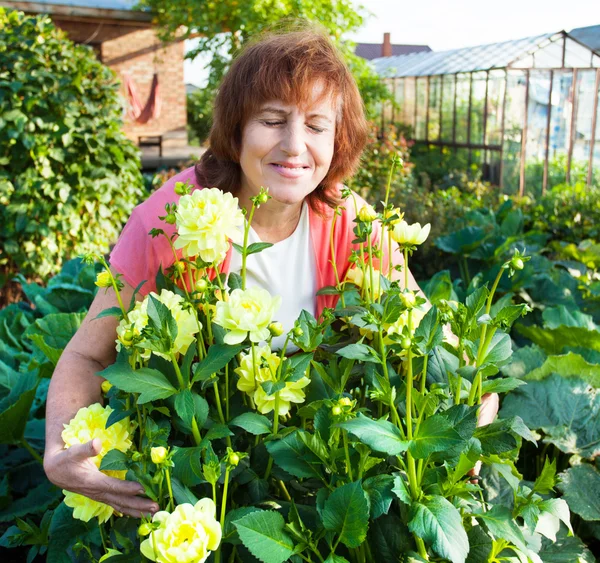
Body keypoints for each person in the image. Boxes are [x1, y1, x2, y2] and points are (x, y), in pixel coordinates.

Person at [44, 25, 497, 518]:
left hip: (315, 475)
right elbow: (89, 354)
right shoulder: (170, 220)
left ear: (337, 140)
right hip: (202, 479)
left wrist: (470, 390)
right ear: (236, 129)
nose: (295, 146)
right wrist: (59, 451)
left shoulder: (350, 222)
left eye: (317, 126)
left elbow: (425, 328)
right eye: (273, 120)